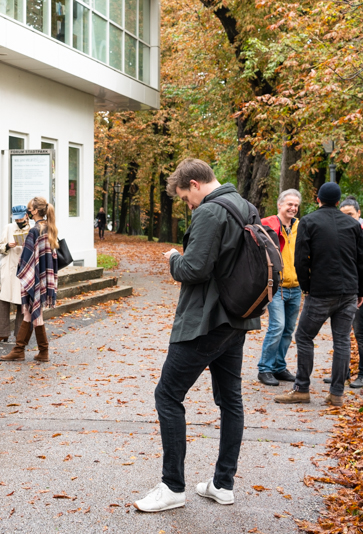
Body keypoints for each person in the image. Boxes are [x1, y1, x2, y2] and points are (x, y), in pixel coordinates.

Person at [134, 158, 260, 513]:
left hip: (205, 321)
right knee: (230, 400)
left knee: (167, 395)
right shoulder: (246, 207)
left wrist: (175, 258)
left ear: (194, 184)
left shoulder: (209, 211)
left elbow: (194, 269)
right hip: (237, 318)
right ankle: (223, 484)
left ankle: (173, 487)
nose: (188, 205)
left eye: (185, 197)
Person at [274, 182, 363, 407]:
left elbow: (300, 259)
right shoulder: (352, 224)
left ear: (318, 199)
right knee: (342, 340)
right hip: (348, 291)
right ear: (338, 201)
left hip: (321, 291)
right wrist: (361, 290)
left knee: (304, 336)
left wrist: (307, 287)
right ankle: (336, 394)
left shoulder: (308, 222)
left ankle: (301, 389)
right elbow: (361, 260)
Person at [0, 197, 58, 363]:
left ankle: (36, 351)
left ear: (35, 211)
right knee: (30, 313)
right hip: (45, 275)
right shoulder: (49, 227)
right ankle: (23, 350)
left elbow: (27, 257)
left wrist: (21, 269)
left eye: (30, 209)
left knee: (34, 313)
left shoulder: (34, 230)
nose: (28, 212)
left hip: (35, 276)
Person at [257, 189, 302, 386]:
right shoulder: (267, 225)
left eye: (296, 205)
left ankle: (279, 366)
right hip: (277, 286)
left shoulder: (301, 227)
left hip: (296, 286)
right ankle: (265, 369)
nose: (293, 208)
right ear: (280, 205)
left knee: (288, 330)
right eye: (290, 204)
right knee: (277, 326)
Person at [339, 196, 363, 388]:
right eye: (343, 215)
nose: (347, 218)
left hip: (361, 289)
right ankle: (342, 373)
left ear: (358, 213)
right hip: (341, 289)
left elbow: (361, 256)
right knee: (341, 334)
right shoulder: (339, 231)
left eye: (351, 214)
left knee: (361, 333)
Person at [0, 205, 33, 343]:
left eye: (21, 218)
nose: (18, 221)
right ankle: (2, 333)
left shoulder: (32, 230)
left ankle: (20, 335)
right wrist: (8, 245)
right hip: (8, 268)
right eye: (16, 218)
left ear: (26, 215)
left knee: (22, 303)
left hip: (24, 269)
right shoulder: (8, 228)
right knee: (4, 301)